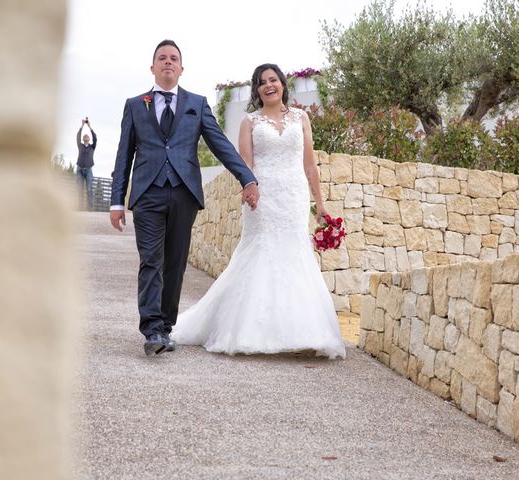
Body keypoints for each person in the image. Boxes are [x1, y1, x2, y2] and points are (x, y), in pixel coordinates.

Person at [171, 63, 346, 359]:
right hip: (262, 199)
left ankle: (303, 332)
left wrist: (321, 204)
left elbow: (309, 164)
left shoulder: (301, 118)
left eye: (273, 80)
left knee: (294, 254)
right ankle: (249, 330)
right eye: (262, 82)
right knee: (260, 254)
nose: (269, 85)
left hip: (293, 197)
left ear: (282, 85)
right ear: (257, 90)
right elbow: (245, 164)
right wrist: (248, 188)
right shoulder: (249, 122)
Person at [109, 39, 259, 356]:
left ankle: (165, 326)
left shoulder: (197, 103)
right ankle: (151, 330)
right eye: (161, 58)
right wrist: (116, 200)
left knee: (175, 263)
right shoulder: (136, 105)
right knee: (151, 260)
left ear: (181, 68)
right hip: (148, 194)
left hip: (184, 194)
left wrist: (246, 177)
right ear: (152, 67)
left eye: (173, 58)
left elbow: (220, 144)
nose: (167, 62)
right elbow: (124, 155)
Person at [76, 118, 97, 210]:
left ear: (89, 139)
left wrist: (89, 126)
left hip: (89, 170)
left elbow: (95, 138)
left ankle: (89, 208)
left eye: (87, 136)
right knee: (80, 189)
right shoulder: (80, 145)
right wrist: (82, 125)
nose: (85, 136)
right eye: (84, 136)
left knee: (89, 189)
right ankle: (79, 208)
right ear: (83, 139)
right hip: (79, 169)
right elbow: (78, 136)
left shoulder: (92, 146)